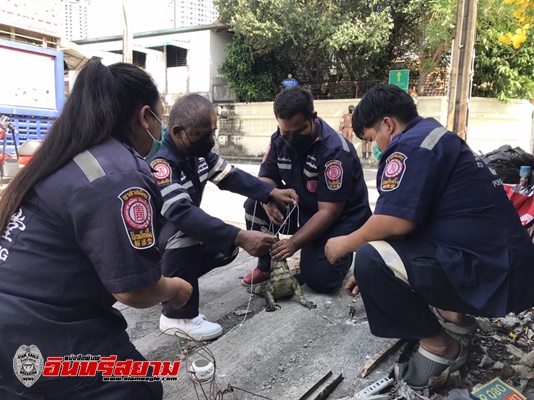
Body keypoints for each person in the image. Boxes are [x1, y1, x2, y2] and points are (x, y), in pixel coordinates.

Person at [0, 59, 193, 400]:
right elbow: (135, 291)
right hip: (39, 335)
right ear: (144, 116)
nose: (159, 127)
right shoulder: (118, 174)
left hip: (18, 325)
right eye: (159, 117)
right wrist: (176, 288)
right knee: (140, 388)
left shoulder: (65, 155)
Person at [324, 84, 534, 389]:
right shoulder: (438, 138)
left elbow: (394, 221)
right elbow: (418, 221)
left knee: (369, 256)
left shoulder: (410, 146)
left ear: (387, 124)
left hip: (491, 274)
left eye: (372, 139)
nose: (376, 146)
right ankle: (458, 321)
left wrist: (344, 245)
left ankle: (441, 347)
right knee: (382, 255)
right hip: (506, 270)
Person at [147, 94, 298, 341]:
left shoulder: (198, 156)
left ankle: (171, 286)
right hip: (153, 247)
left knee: (225, 249)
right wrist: (239, 235)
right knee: (187, 229)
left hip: (170, 243)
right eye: (204, 134)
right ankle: (177, 316)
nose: (211, 140)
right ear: (178, 131)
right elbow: (181, 213)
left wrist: (269, 192)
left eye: (212, 132)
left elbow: (231, 177)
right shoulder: (162, 165)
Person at [242, 86, 372, 292]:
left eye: (299, 130)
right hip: (305, 209)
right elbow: (266, 177)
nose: (291, 137)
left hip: (339, 221)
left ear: (313, 117)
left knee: (321, 281)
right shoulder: (278, 140)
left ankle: (342, 252)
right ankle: (266, 266)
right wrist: (267, 197)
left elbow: (329, 212)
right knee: (254, 203)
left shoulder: (334, 151)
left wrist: (293, 243)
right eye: (286, 131)